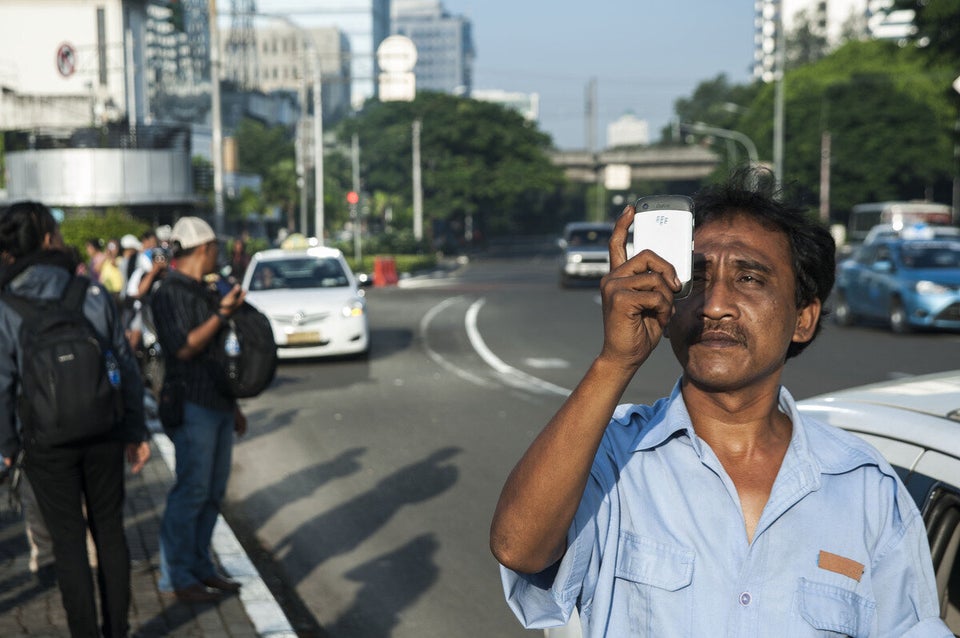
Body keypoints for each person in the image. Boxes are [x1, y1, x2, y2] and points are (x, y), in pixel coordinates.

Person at [490, 169, 951, 637]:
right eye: (697, 278)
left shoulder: (865, 488)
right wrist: (615, 361)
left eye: (749, 278)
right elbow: (518, 546)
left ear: (803, 318)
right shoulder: (611, 458)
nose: (714, 305)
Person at [0, 201, 151, 638]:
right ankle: (117, 630)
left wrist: (9, 448)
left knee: (68, 543)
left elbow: (3, 385)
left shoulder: (7, 305)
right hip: (104, 430)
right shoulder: (91, 292)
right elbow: (124, 366)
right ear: (50, 238)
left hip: (45, 442)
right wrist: (135, 429)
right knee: (110, 531)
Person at [150, 216, 248, 603]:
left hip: (218, 401)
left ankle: (201, 566)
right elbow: (185, 347)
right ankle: (176, 575)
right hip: (191, 403)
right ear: (204, 248)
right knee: (191, 490)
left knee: (213, 492)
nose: (218, 255)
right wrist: (222, 313)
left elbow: (221, 355)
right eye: (215, 249)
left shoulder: (204, 289)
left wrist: (234, 405)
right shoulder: (169, 292)